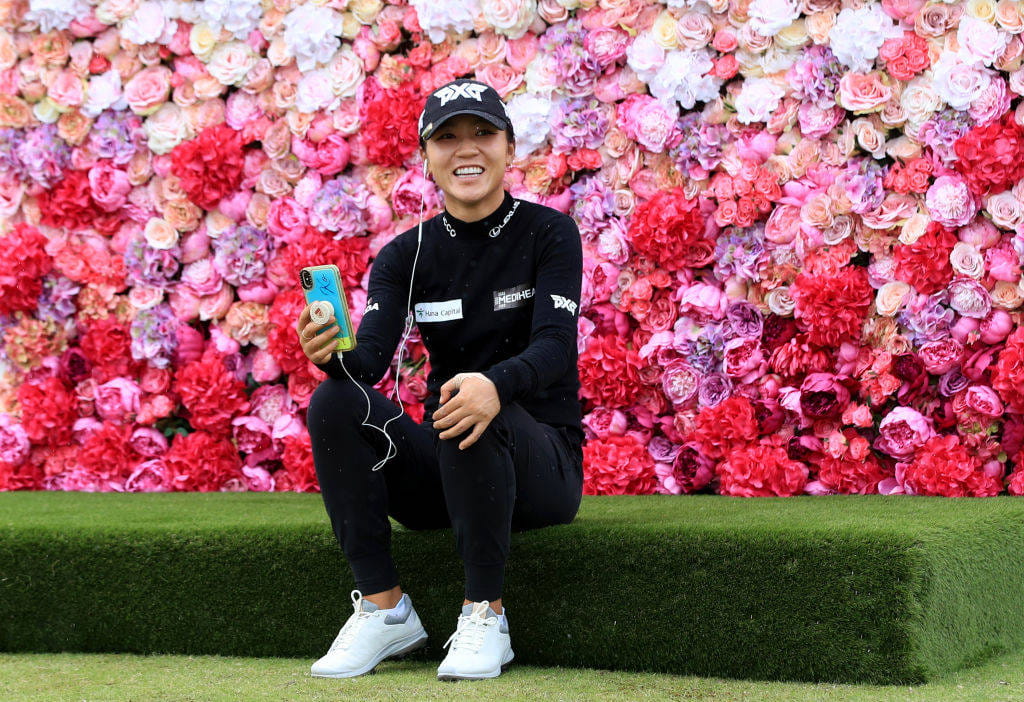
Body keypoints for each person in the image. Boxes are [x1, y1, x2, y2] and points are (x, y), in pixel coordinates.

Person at [296, 79, 584, 681]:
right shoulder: (406, 253)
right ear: (426, 157)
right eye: (447, 137)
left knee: (475, 397)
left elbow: (555, 347)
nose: (466, 149)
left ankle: (486, 615)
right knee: (333, 402)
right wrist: (329, 352)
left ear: (510, 148)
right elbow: (366, 364)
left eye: (483, 133)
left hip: (543, 470)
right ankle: (384, 609)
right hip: (452, 470)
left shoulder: (550, 233)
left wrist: (496, 385)